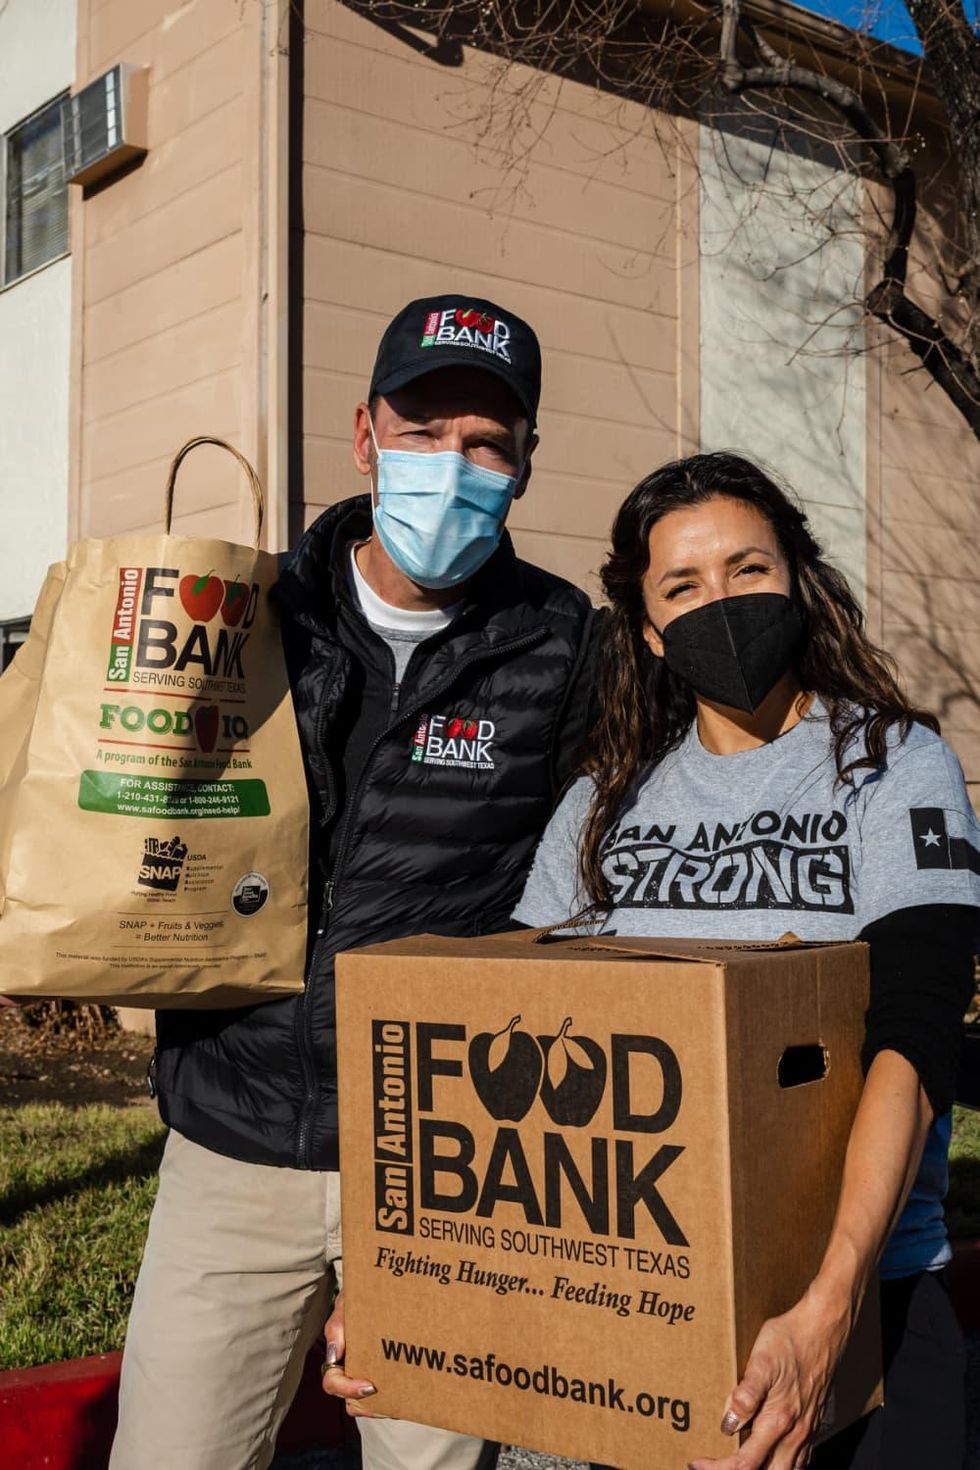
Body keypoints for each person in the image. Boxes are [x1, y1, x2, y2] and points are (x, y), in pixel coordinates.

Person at [109, 295, 598, 1470]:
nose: (454, 465)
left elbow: (591, 884)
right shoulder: (249, 612)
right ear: (363, 435)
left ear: (524, 465)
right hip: (231, 1142)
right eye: (422, 428)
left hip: (440, 1163)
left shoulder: (561, 642)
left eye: (487, 441)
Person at [512, 452, 976, 1470]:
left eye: (745, 570)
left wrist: (828, 1307)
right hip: (634, 1285)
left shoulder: (893, 765)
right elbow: (511, 1030)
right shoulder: (602, 806)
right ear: (644, 627)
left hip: (867, 1287)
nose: (718, 603)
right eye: (681, 586)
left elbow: (914, 1032)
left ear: (797, 581)